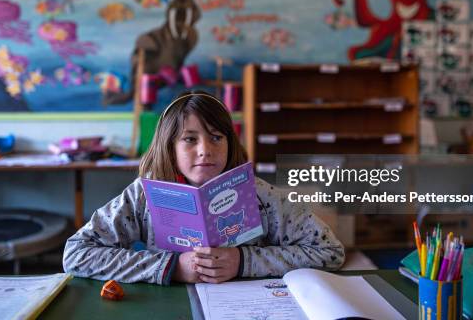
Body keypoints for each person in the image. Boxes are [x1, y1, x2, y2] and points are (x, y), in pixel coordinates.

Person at [63, 91, 345, 285]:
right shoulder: (143, 194)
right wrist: (170, 268)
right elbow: (76, 254)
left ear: (229, 143)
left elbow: (330, 251)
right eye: (189, 139)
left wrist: (244, 262)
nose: (205, 150)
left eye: (216, 137)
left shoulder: (260, 195)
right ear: (169, 147)